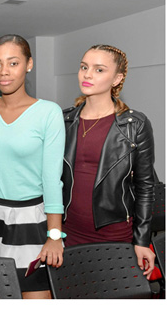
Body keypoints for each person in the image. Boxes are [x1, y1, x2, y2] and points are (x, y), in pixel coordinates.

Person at [0, 34, 65, 299]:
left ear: (29, 65)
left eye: (13, 63)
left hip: (31, 219)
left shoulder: (48, 112)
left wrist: (54, 234)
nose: (3, 72)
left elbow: (52, 177)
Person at [62, 44, 156, 278]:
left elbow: (145, 187)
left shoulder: (135, 125)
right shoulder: (63, 120)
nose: (87, 74)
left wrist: (142, 240)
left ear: (117, 78)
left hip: (112, 232)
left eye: (99, 69)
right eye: (84, 67)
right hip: (67, 231)